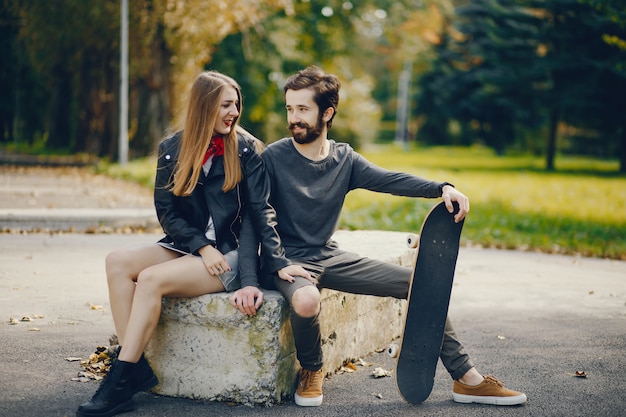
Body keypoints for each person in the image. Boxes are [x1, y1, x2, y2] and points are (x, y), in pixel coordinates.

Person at [257, 66, 528, 407]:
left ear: (327, 113)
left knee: (422, 285)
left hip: (326, 255)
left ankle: (466, 378)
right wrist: (277, 262)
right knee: (307, 299)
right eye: (289, 109)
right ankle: (312, 369)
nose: (293, 118)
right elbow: (258, 214)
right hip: (286, 261)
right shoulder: (273, 157)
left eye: (302, 109)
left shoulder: (345, 160)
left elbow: (390, 180)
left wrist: (441, 188)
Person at [76, 71, 309, 417]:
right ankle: (135, 367)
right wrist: (201, 246)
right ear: (205, 107)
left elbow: (261, 214)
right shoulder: (171, 150)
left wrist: (268, 266)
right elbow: (167, 212)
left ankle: (118, 383)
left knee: (151, 279)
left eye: (236, 105)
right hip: (192, 247)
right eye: (225, 105)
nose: (234, 112)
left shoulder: (246, 150)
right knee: (117, 261)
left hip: (230, 255)